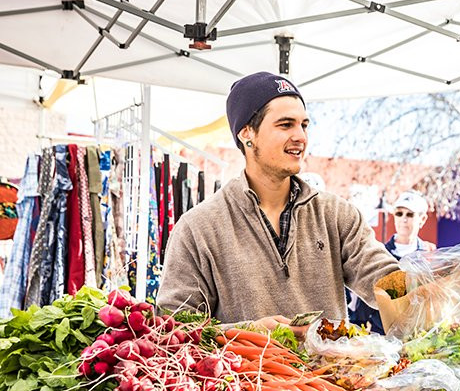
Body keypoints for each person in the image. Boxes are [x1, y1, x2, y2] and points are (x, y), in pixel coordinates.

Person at [157, 72, 400, 333]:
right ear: (246, 133)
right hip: (243, 373)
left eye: (304, 125)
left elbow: (380, 277)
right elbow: (174, 326)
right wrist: (248, 332)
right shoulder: (198, 228)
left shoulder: (337, 214)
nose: (301, 137)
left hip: (333, 374)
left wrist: (422, 289)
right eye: (286, 125)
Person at [348, 190, 436, 333]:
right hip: (382, 334)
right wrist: (358, 326)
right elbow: (365, 296)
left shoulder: (430, 255)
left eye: (410, 214)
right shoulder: (379, 253)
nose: (403, 219)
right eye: (399, 213)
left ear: (422, 219)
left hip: (417, 335)